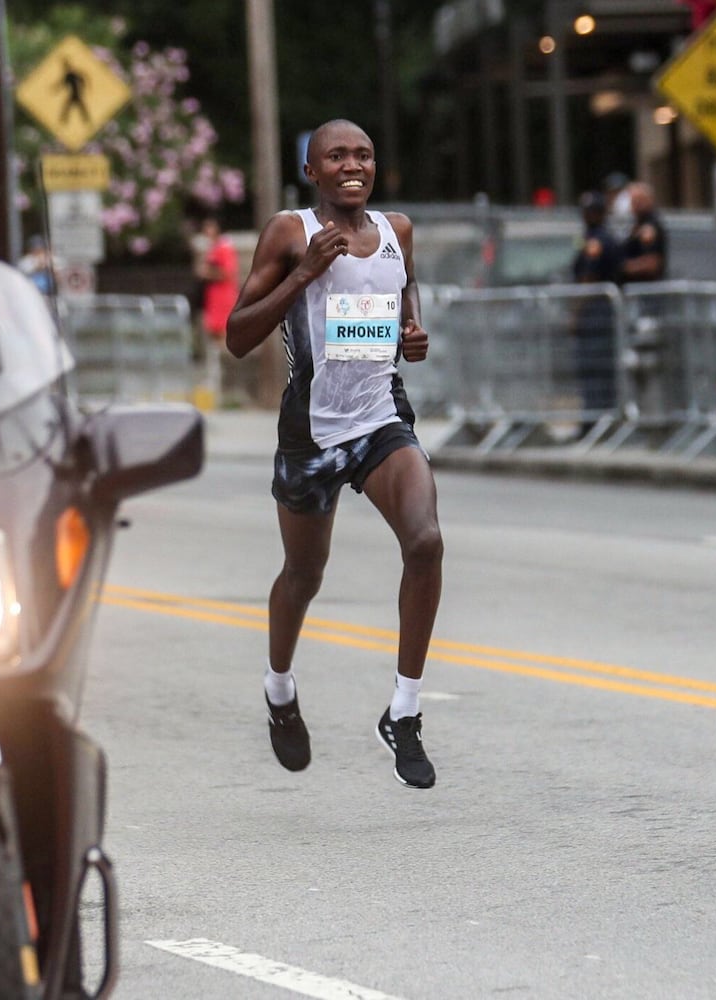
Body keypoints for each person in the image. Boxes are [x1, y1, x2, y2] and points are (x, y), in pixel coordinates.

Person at [225, 119, 443, 789]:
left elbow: (400, 288)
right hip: (312, 428)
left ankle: (402, 712)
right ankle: (279, 689)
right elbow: (237, 335)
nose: (353, 164)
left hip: (379, 417)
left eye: (363, 154)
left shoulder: (397, 229)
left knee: (425, 543)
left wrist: (408, 328)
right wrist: (305, 275)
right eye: (336, 156)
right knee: (303, 573)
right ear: (312, 172)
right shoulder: (290, 233)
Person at [571, 190, 623, 434]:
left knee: (595, 366)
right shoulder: (592, 237)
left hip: (596, 311)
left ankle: (596, 422)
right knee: (593, 367)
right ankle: (596, 419)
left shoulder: (597, 241)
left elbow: (589, 279)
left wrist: (576, 312)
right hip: (597, 309)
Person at [195, 215, 239, 399]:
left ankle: (226, 384)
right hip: (213, 300)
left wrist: (208, 272)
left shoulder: (224, 248)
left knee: (222, 340)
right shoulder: (211, 249)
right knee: (213, 341)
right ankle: (216, 382)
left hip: (223, 299)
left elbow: (228, 272)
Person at [620, 181, 667, 283]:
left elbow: (652, 264)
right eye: (633, 201)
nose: (636, 205)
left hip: (645, 291)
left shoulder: (650, 227)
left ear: (649, 200)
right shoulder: (637, 224)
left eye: (639, 200)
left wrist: (622, 267)